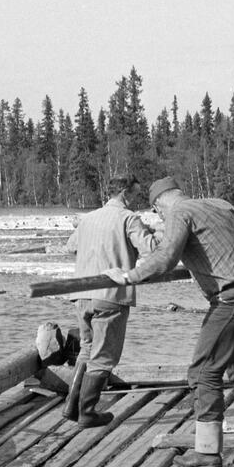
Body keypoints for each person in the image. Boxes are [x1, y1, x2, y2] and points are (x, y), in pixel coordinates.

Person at [106, 175, 234, 467]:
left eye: (157, 213)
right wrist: (231, 258)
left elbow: (165, 258)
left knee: (203, 371)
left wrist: (128, 277)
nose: (159, 217)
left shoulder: (178, 213)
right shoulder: (219, 204)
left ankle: (206, 451)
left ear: (159, 205)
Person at [64, 176, 159, 429]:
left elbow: (70, 247)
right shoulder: (128, 218)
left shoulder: (88, 218)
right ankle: (87, 412)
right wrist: (152, 234)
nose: (136, 200)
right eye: (135, 195)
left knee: (87, 349)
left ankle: (71, 406)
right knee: (104, 357)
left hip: (81, 294)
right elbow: (152, 251)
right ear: (125, 194)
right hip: (110, 295)